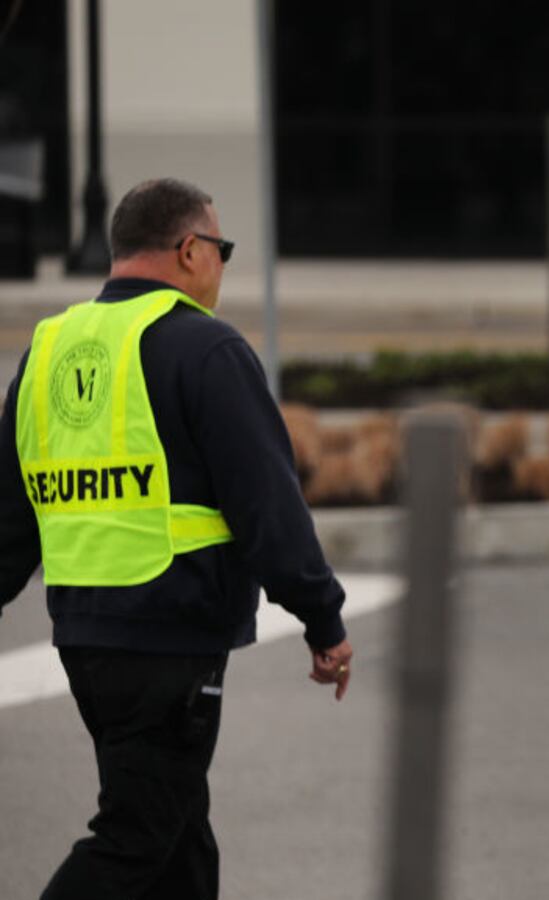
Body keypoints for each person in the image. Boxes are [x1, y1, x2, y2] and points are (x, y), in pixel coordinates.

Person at [0, 178, 354, 899]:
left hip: (85, 637)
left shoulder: (48, 350)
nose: (222, 267)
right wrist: (322, 617)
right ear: (189, 250)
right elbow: (266, 503)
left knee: (180, 842)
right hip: (169, 639)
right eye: (221, 249)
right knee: (136, 837)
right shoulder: (205, 348)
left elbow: (10, 514)